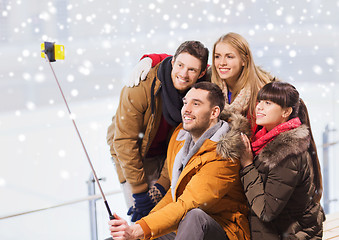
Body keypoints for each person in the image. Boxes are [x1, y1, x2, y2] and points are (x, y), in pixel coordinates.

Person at [108, 82, 251, 240]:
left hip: (223, 229)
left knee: (195, 216)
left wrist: (137, 230)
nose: (186, 109)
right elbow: (174, 192)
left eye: (196, 104)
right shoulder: (180, 138)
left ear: (214, 112)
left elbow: (188, 204)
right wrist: (138, 228)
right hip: (183, 226)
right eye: (185, 102)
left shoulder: (224, 154)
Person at [106, 41, 209, 222]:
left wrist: (161, 186)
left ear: (201, 73)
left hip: (167, 157)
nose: (183, 74)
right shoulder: (140, 87)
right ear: (172, 62)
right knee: (142, 218)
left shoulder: (197, 95)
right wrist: (139, 192)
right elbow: (124, 141)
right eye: (180, 65)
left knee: (166, 219)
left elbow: (180, 144)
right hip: (132, 156)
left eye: (192, 70)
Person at [127, 32, 274, 133]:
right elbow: (184, 61)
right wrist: (151, 58)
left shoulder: (264, 90)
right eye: (217, 56)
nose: (222, 63)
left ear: (244, 60)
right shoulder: (211, 78)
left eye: (229, 57)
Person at [240, 81, 325, 239]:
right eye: (259, 102)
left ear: (286, 112)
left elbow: (266, 211)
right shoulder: (263, 141)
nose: (259, 107)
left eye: (268, 103)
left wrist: (247, 166)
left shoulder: (288, 153)